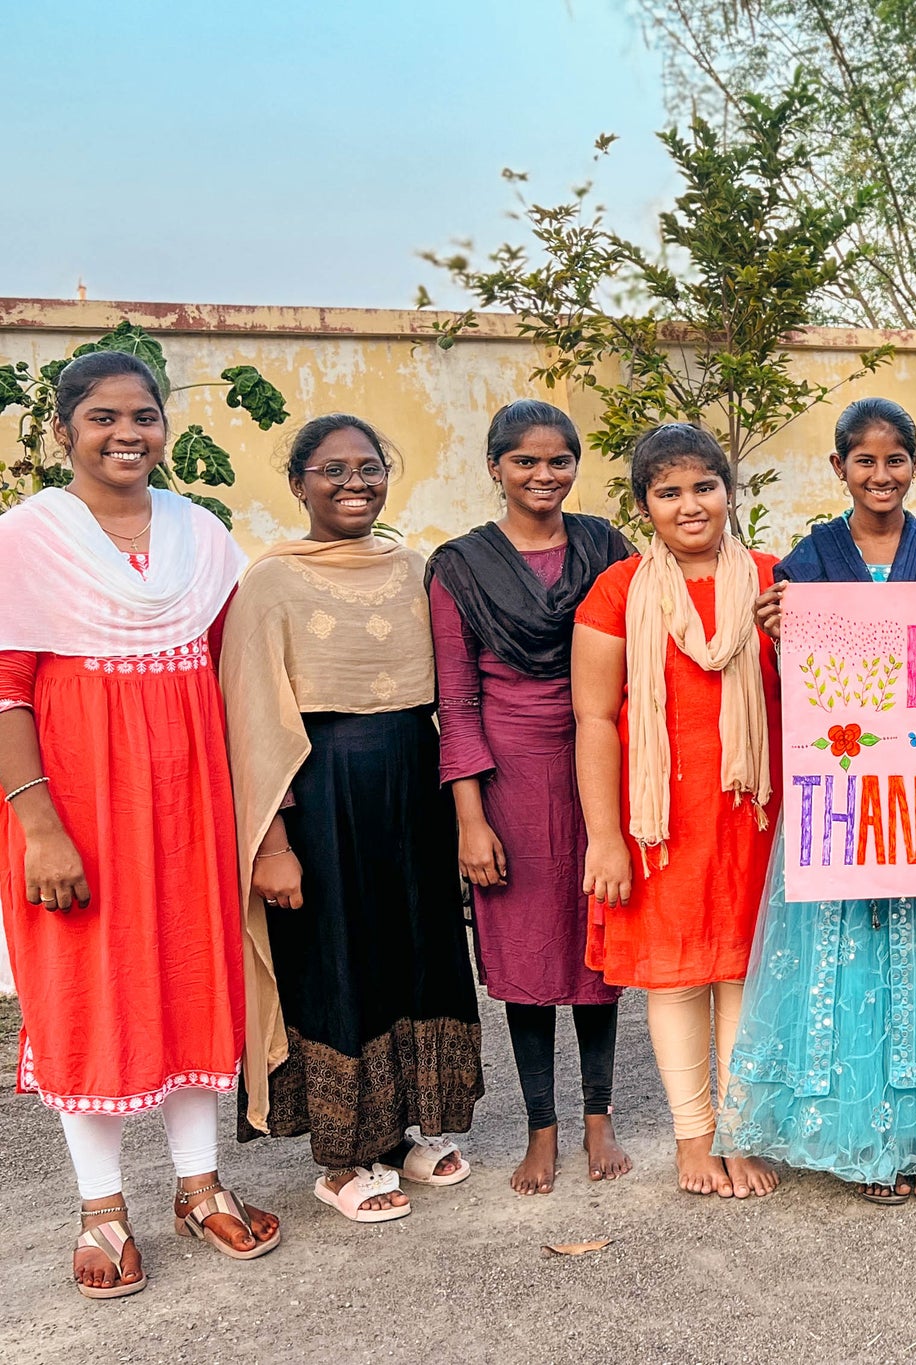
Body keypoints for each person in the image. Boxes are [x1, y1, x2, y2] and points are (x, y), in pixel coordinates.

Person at [0, 352, 280, 1297]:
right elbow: (5, 690)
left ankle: (200, 1188)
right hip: (76, 797)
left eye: (145, 416)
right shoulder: (26, 538)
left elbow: (234, 666)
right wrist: (37, 822)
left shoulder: (199, 535)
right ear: (63, 430)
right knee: (90, 986)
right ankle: (102, 1206)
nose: (129, 434)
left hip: (192, 795)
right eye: (104, 417)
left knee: (194, 972)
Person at [721, 397, 916, 1205]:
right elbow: (806, 685)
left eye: (895, 458)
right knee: (853, 959)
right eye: (863, 460)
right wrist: (780, 630)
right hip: (845, 795)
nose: (881, 474)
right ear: (838, 470)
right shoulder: (807, 564)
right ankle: (862, 1136)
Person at [223, 414, 482, 1224]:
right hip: (321, 798)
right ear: (298, 482)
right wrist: (272, 842)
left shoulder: (414, 569)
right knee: (337, 960)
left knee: (412, 952)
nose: (353, 483)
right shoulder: (270, 580)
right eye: (331, 470)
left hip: (412, 786)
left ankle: (401, 1130)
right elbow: (254, 717)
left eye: (368, 467)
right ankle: (342, 1158)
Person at [427, 400, 635, 1195]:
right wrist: (471, 819)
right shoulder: (460, 567)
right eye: (525, 461)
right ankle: (541, 1128)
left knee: (596, 941)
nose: (543, 476)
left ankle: (599, 1116)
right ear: (494, 468)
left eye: (559, 461)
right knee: (525, 956)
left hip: (599, 762)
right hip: (508, 772)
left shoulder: (604, 546)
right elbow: (457, 697)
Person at [572, 422, 782, 1200]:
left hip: (752, 811)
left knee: (742, 977)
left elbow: (822, 690)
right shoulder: (619, 590)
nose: (689, 505)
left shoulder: (772, 579)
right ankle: (696, 1137)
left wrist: (791, 636)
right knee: (676, 981)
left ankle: (740, 1131)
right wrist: (605, 837)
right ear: (643, 504)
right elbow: (594, 719)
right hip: (659, 822)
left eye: (704, 487)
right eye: (669, 492)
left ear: (730, 492)